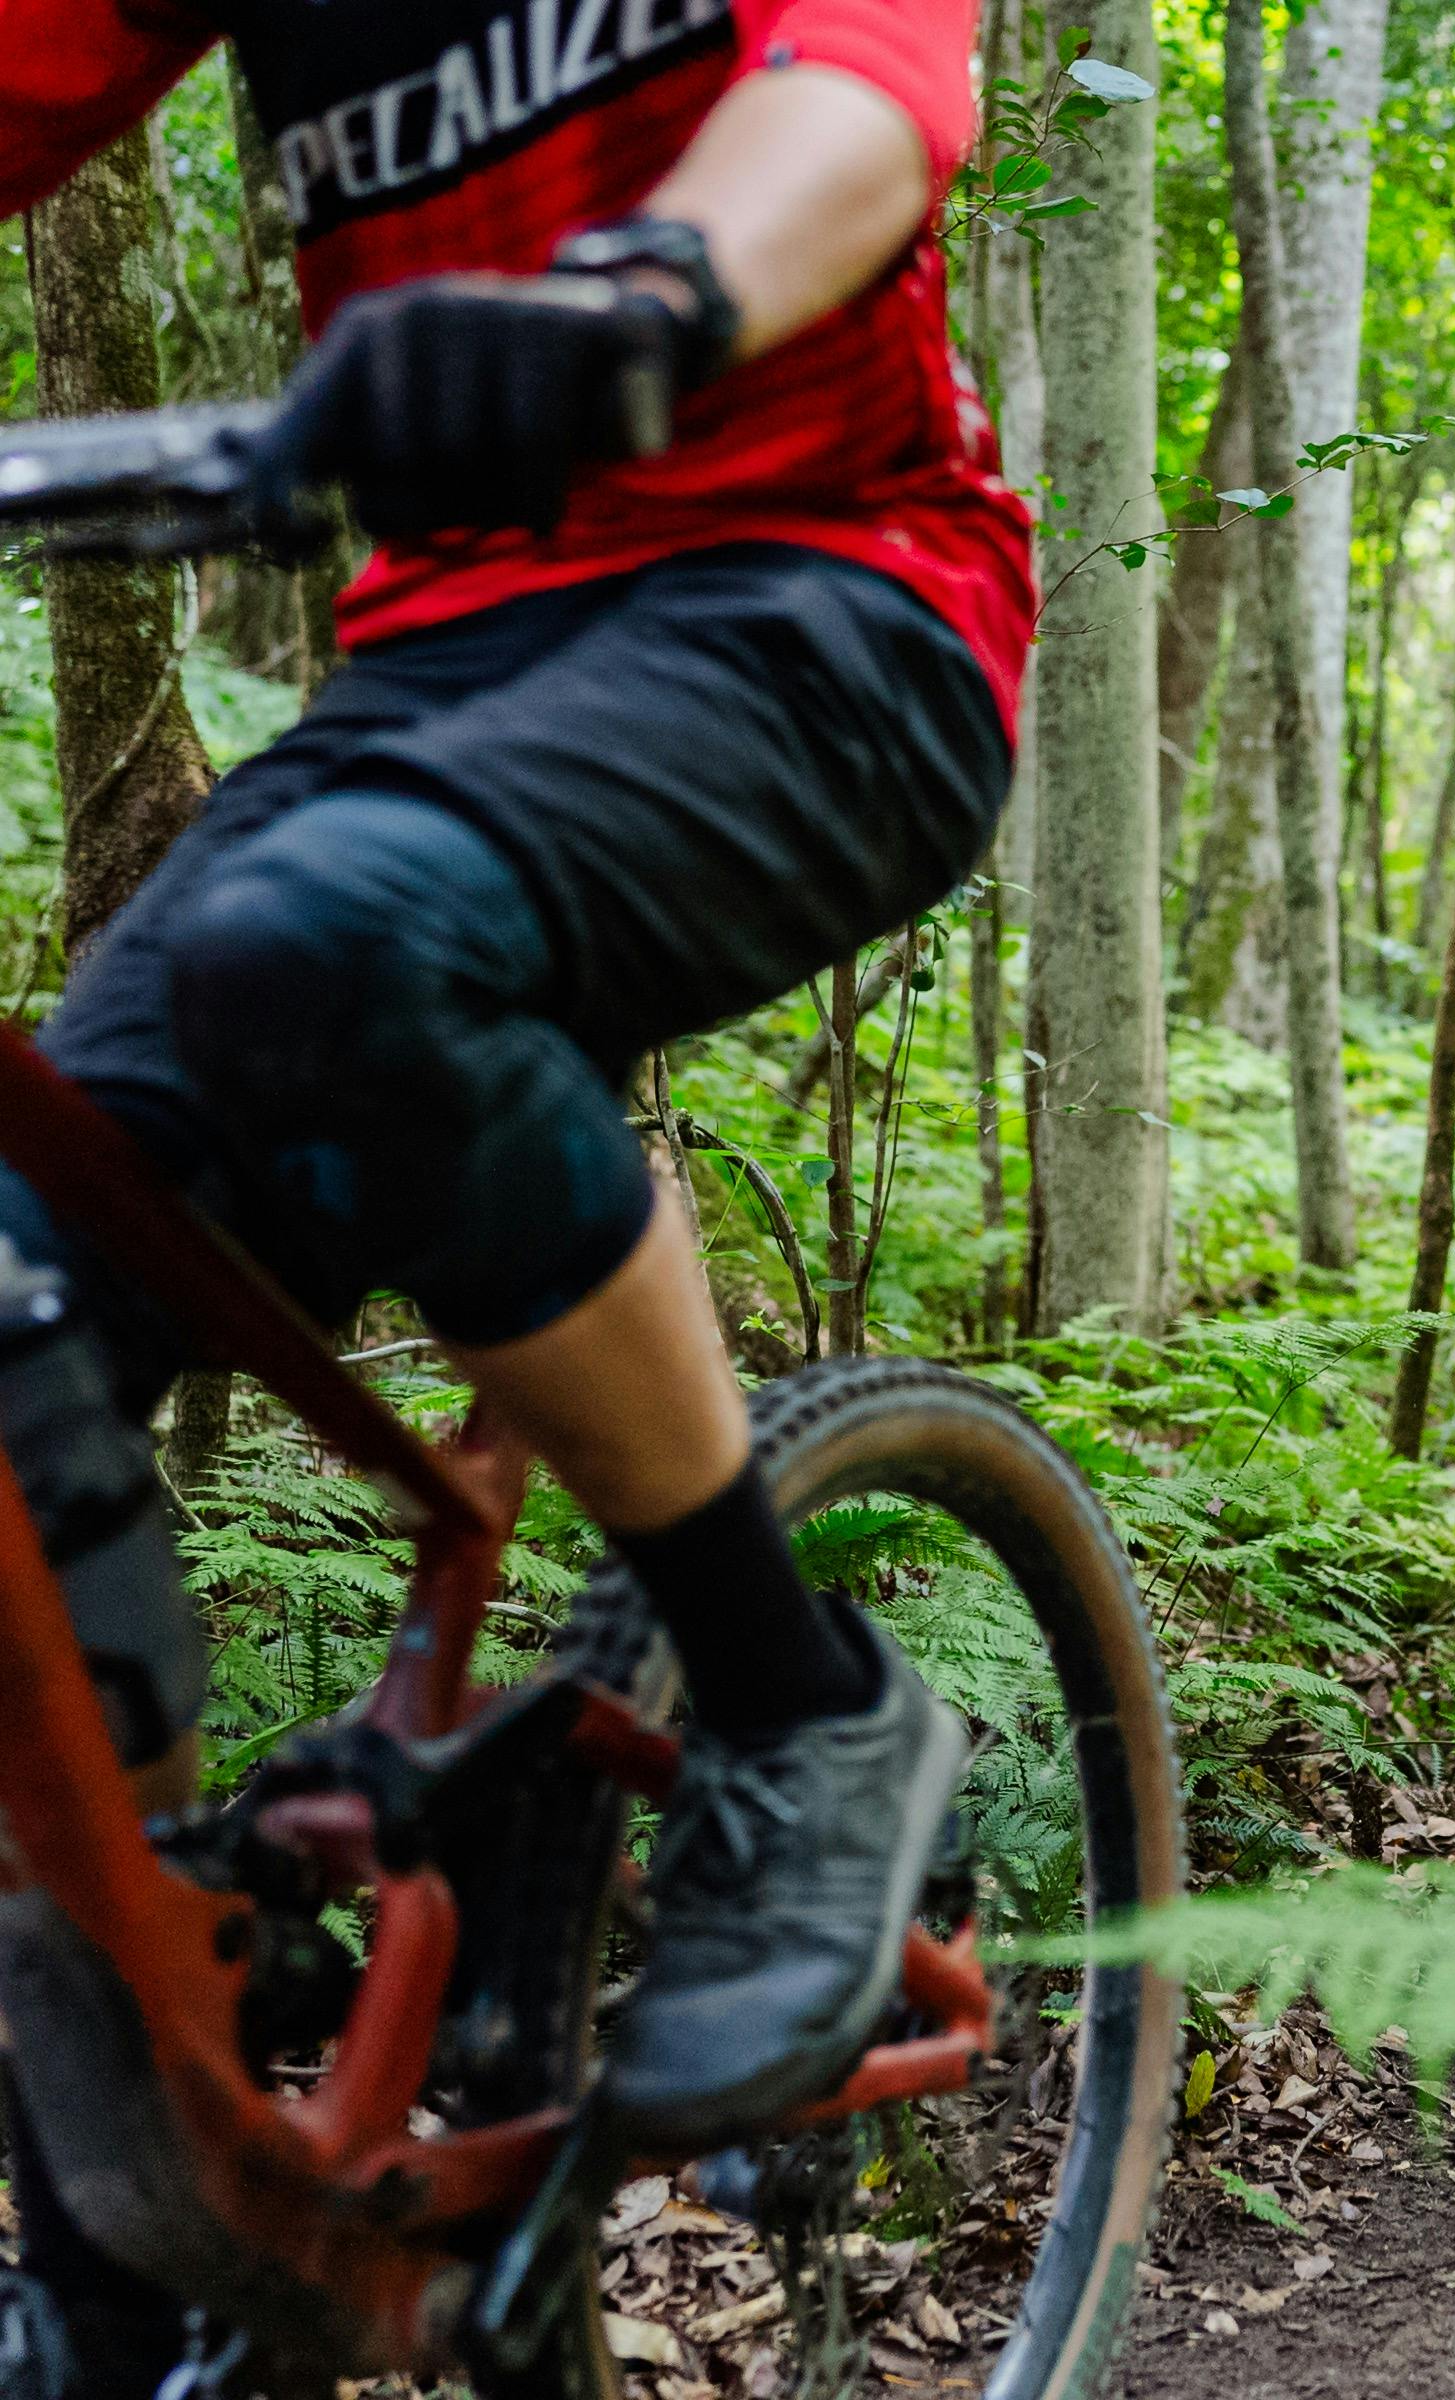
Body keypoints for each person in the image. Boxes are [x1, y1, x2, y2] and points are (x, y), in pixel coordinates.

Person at [0, 0, 1016, 2209]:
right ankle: (158, 2033)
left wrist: (642, 287)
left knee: (326, 947)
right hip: (436, 682)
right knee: (24, 1269)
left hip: (828, 610)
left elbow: (866, 91)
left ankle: (796, 1703)